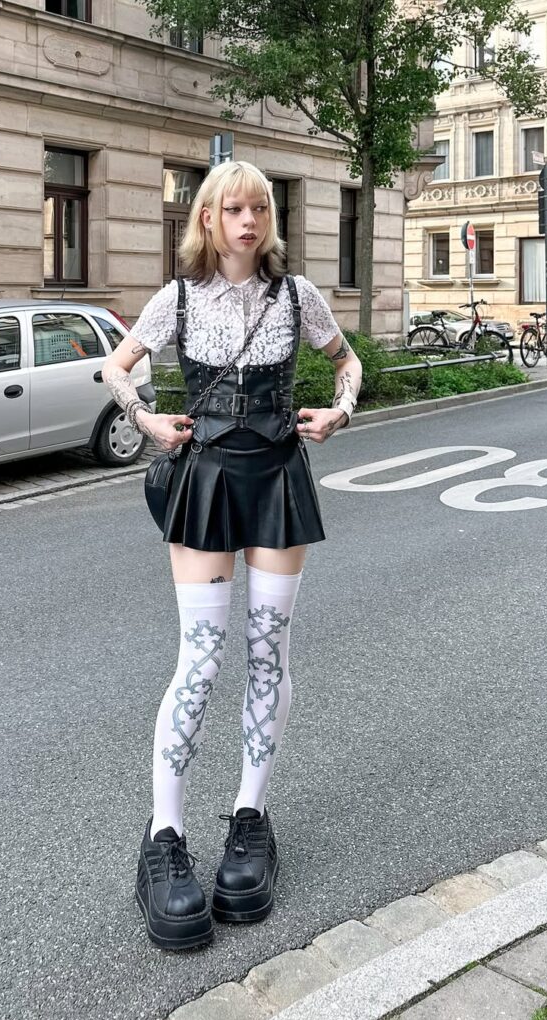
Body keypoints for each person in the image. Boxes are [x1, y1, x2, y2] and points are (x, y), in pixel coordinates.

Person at [102, 160, 362, 950]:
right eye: (231, 209)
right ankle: (165, 835)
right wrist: (146, 420)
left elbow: (346, 361)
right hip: (207, 479)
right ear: (206, 219)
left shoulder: (298, 294)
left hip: (278, 475)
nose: (247, 222)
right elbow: (116, 367)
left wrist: (340, 411)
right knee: (201, 660)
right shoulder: (177, 297)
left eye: (258, 208)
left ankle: (250, 815)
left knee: (267, 654)